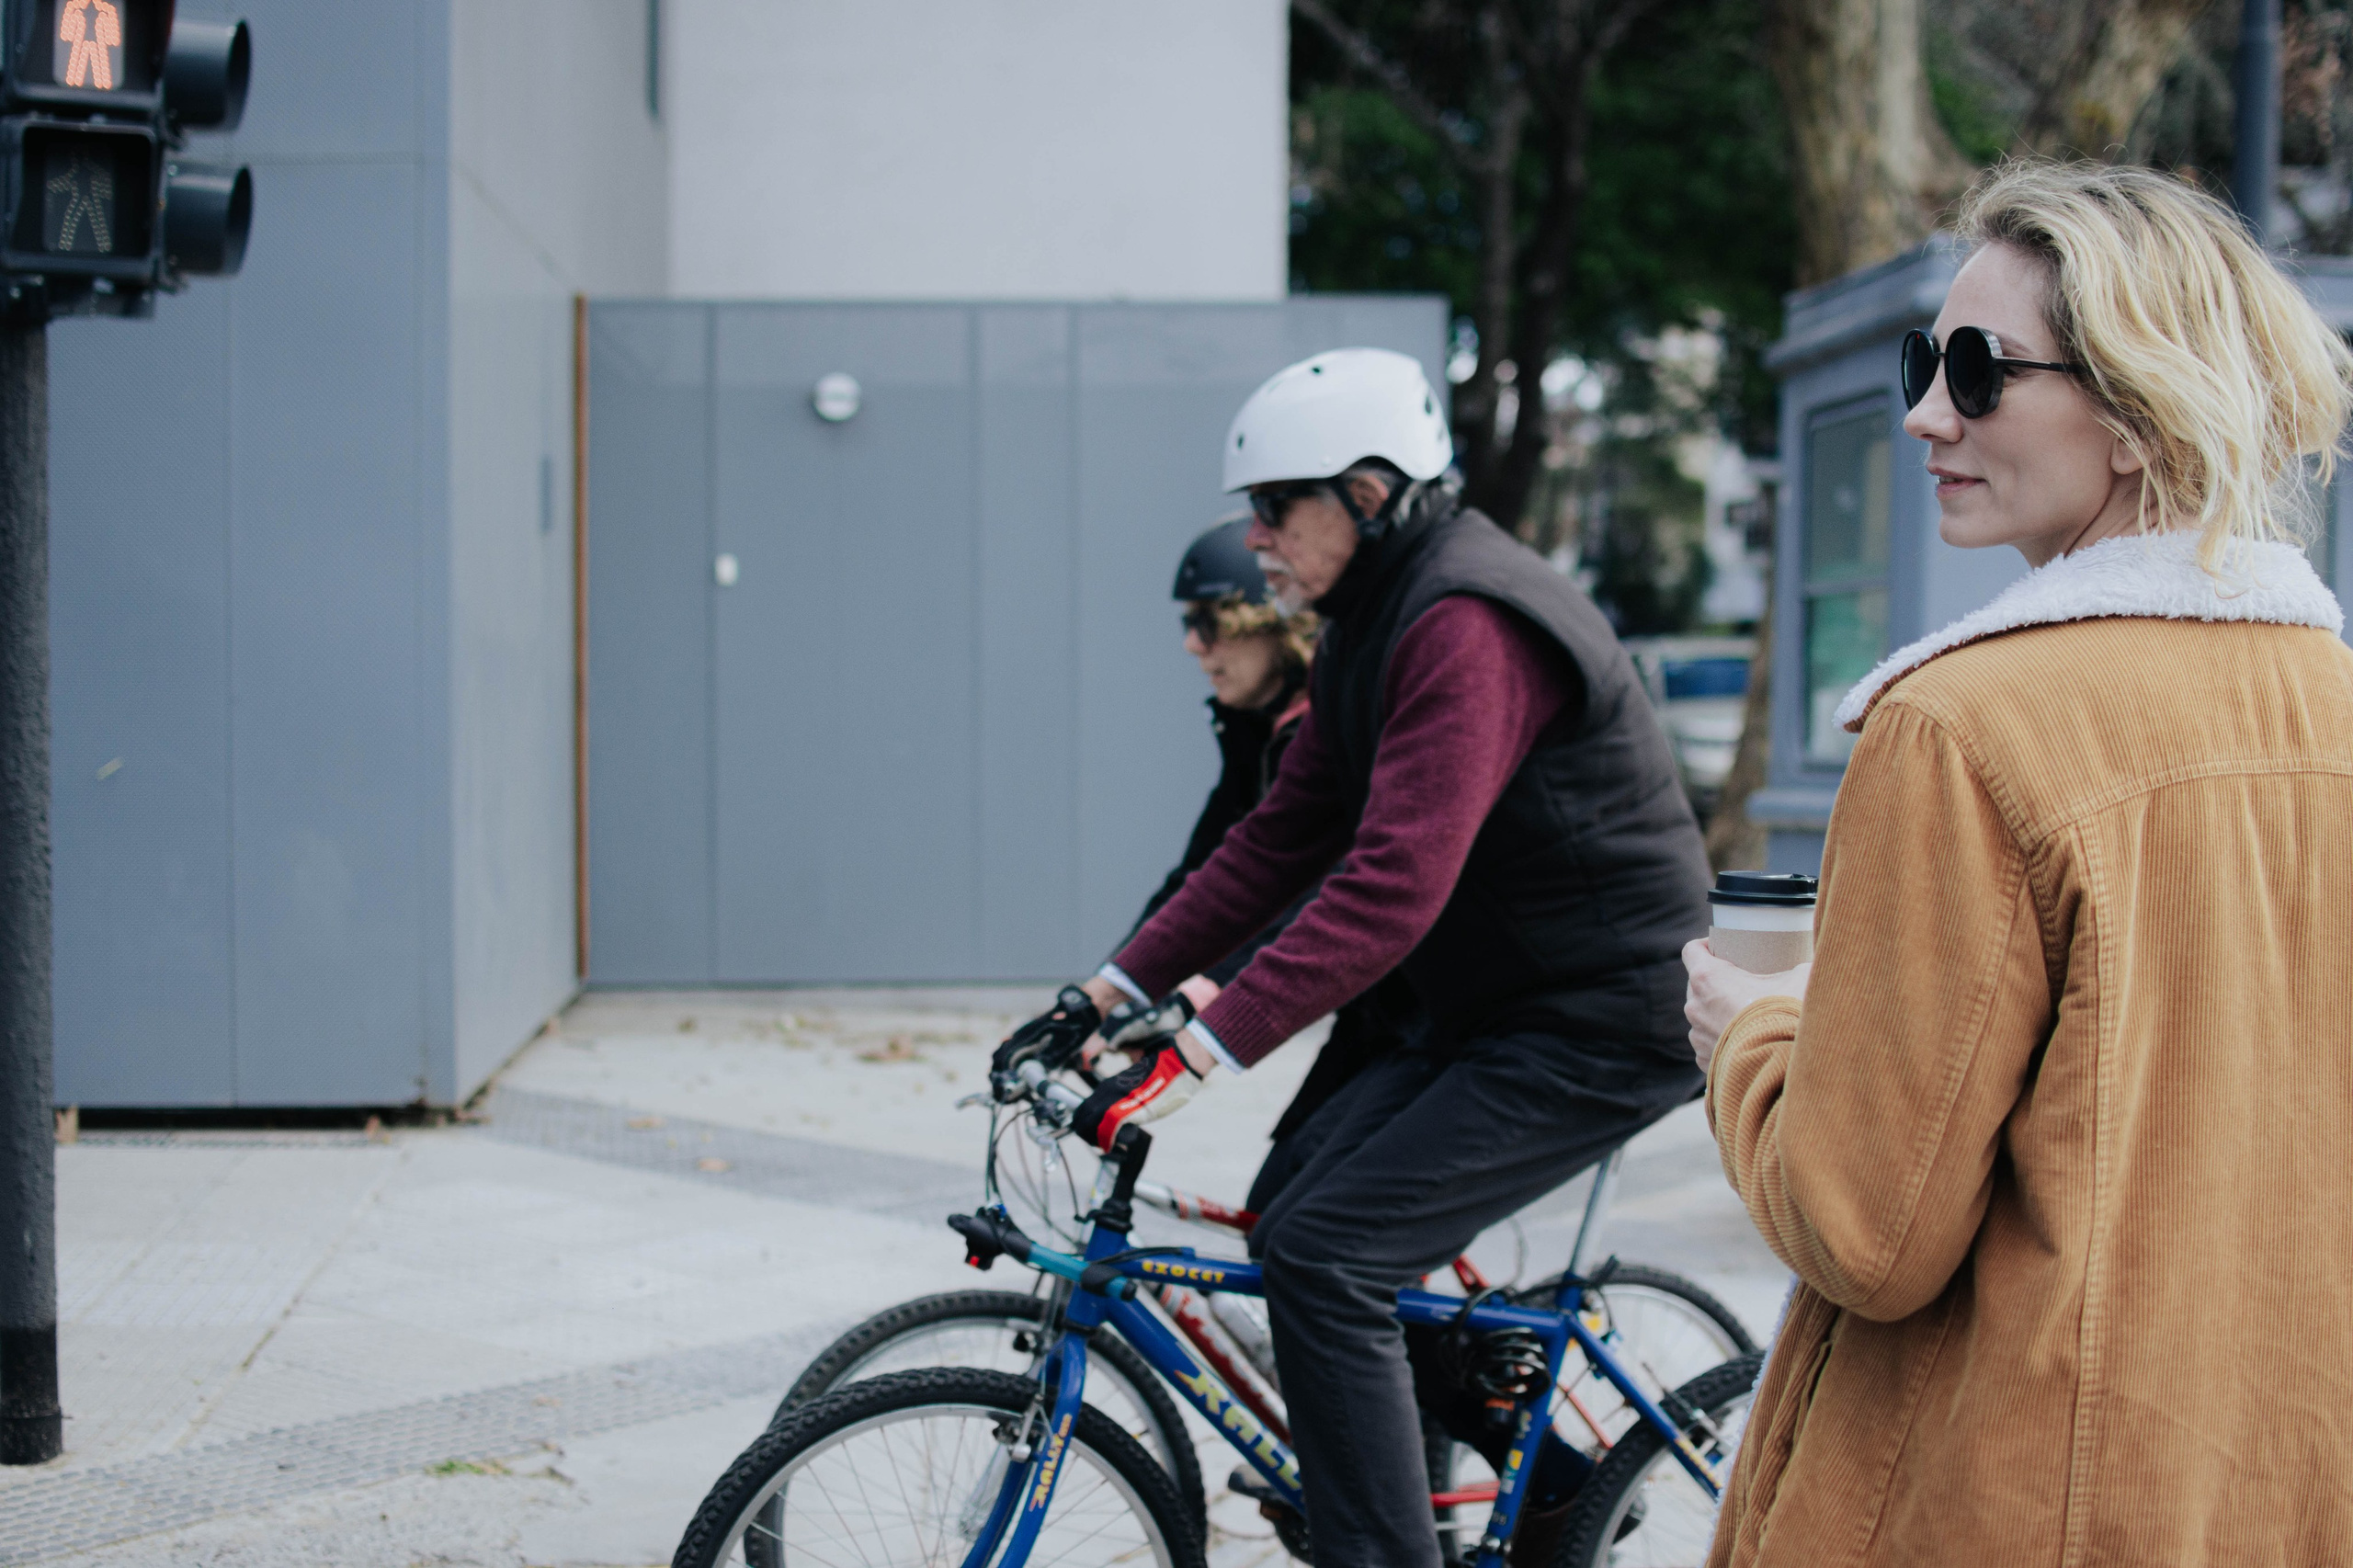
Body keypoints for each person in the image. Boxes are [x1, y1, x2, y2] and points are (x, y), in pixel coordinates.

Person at [1683, 160, 2353, 1566]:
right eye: (1931, 360)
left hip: (2011, 1495)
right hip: (2274, 1490)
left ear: (2135, 412)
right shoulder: (2332, 702)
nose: (1928, 410)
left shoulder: (1965, 725)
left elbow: (1870, 1229)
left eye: (1979, 370)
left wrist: (1758, 1034)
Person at [1003, 347, 1711, 1566]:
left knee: (1332, 1256)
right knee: (1294, 1221)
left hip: (1601, 1017)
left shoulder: (1467, 622)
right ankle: (1527, 1469)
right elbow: (1282, 836)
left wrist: (1199, 1045)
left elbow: (1392, 882)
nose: (1258, 536)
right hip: (1491, 1006)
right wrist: (1105, 992)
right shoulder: (1369, 623)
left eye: (1278, 506)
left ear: (1371, 494)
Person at [1130, 517, 1415, 1210]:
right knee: (1283, 1201)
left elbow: (1323, 888)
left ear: (1268, 623)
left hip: (1420, 1005)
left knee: (1312, 1231)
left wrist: (1200, 996)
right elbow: (1201, 879)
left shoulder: (1322, 728)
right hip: (1374, 1013)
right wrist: (1112, 991)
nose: (1195, 647)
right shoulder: (1253, 732)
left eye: (1210, 622)